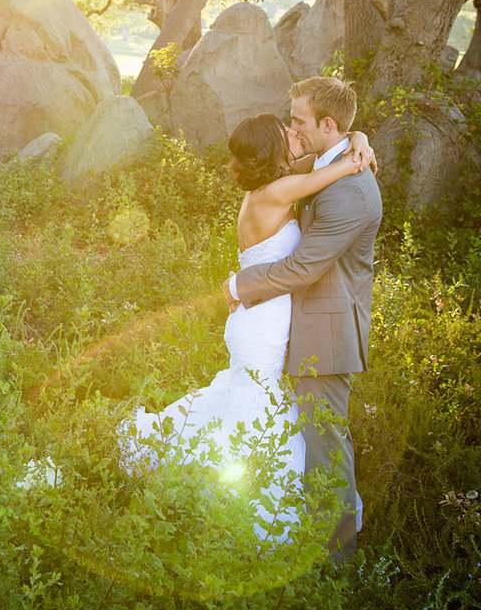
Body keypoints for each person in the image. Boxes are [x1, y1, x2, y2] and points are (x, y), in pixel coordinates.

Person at [121, 108, 374, 543]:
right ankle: (242, 511)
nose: (294, 133)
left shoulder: (269, 188)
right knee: (256, 402)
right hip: (262, 318)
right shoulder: (278, 191)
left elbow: (329, 155)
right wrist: (359, 151)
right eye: (286, 132)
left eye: (295, 126)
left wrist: (360, 134)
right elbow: (343, 167)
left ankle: (225, 492)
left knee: (253, 397)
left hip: (259, 311)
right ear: (274, 150)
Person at [224, 76, 383, 564]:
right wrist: (358, 140)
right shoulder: (326, 163)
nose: (293, 131)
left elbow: (303, 266)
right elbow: (316, 162)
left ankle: (336, 562)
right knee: (297, 434)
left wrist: (237, 286)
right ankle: (268, 529)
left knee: (325, 444)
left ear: (327, 124)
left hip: (325, 334)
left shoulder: (351, 190)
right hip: (289, 328)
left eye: (298, 122)